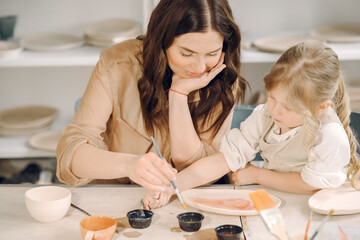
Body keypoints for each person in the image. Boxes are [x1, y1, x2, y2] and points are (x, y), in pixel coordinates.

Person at [143, 40, 360, 209]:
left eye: (289, 107)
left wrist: (258, 175)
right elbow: (222, 161)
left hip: (319, 210)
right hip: (280, 204)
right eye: (272, 97)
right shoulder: (265, 116)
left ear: (320, 107)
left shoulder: (329, 134)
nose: (275, 110)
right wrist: (170, 187)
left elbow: (311, 184)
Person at [56, 0, 247, 191]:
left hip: (182, 202)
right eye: (186, 53)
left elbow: (197, 173)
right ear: (162, 42)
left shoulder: (222, 79)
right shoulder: (117, 64)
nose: (199, 67)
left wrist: (178, 95)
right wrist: (128, 165)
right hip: (116, 199)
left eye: (212, 54)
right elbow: (70, 156)